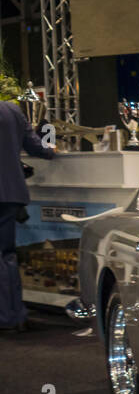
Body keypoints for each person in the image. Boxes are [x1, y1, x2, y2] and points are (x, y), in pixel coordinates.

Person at [0, 98, 56, 333]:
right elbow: (39, 148)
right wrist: (52, 148)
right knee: (8, 255)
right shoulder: (13, 110)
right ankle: (15, 315)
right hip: (11, 193)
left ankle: (6, 317)